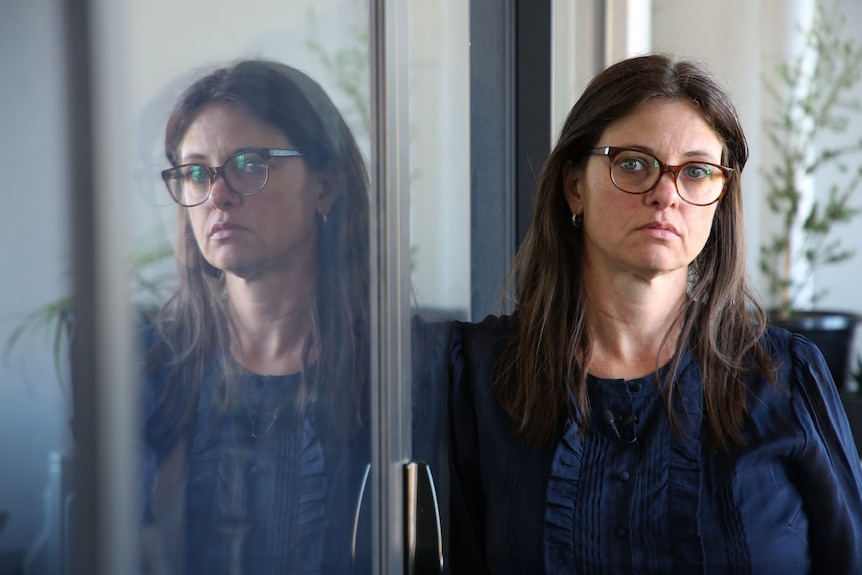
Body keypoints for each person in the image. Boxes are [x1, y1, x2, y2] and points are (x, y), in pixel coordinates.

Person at [448, 53, 862, 574]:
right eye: (633, 163)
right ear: (575, 185)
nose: (666, 195)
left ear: (719, 199)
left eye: (696, 171)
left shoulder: (787, 378)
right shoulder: (483, 375)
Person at [138, 58, 370, 575]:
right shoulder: (149, 369)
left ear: (325, 186)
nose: (216, 195)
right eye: (195, 173)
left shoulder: (402, 373)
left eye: (249, 165)